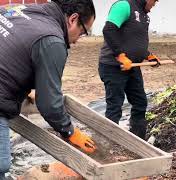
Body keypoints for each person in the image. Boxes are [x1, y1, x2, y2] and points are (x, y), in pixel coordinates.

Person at [0, 0, 96, 178]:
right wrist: (70, 132)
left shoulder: (21, 10)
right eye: (82, 32)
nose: (77, 40)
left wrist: (24, 85)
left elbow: (11, 49)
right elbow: (50, 104)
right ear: (73, 19)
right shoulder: (52, 40)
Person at [99, 0, 160, 140]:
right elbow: (108, 29)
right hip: (114, 66)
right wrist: (120, 55)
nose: (155, 4)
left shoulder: (144, 14)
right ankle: (110, 143)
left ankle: (137, 140)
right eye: (155, 1)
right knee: (115, 106)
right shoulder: (124, 6)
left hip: (133, 67)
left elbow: (135, 40)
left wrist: (147, 55)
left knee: (140, 102)